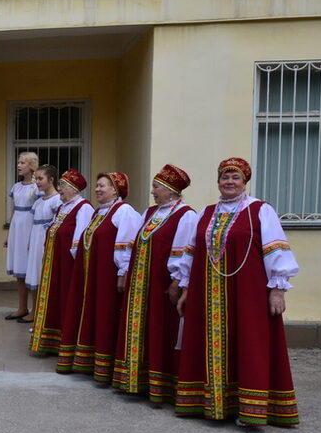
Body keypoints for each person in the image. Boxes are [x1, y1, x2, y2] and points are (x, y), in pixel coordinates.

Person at [175, 157, 300, 427]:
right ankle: (210, 405)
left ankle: (251, 410)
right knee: (207, 343)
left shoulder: (260, 211)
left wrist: (278, 290)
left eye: (235, 178)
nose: (229, 182)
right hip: (206, 295)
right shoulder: (205, 213)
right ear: (218, 181)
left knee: (249, 343)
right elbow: (191, 255)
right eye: (224, 177)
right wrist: (185, 289)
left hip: (248, 294)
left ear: (245, 182)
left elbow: (276, 251)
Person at [112, 165, 198, 403]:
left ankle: (162, 386)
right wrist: (126, 272)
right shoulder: (150, 213)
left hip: (162, 286)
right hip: (140, 286)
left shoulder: (186, 215)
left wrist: (176, 282)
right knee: (140, 329)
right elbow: (135, 244)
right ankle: (135, 380)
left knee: (162, 331)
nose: (152, 191)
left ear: (171, 191)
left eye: (156, 187)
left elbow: (184, 253)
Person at [56, 172, 141, 381]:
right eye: (97, 186)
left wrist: (122, 273)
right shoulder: (100, 212)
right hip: (92, 276)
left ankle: (107, 367)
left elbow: (127, 245)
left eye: (102, 186)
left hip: (108, 278)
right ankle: (91, 362)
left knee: (106, 317)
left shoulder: (124, 211)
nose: (97, 189)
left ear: (115, 189)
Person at [29, 169, 93, 355]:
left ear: (73, 188)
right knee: (53, 300)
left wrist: (75, 271)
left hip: (68, 267)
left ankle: (66, 342)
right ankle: (50, 341)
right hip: (54, 266)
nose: (60, 189)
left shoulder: (83, 208)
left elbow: (78, 242)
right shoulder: (63, 207)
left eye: (63, 186)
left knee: (66, 302)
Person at [22, 164, 60, 324]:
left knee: (44, 275)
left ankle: (45, 312)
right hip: (36, 242)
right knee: (34, 275)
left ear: (51, 179)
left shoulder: (57, 200)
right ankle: (35, 309)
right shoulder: (38, 202)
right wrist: (30, 241)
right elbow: (32, 224)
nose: (37, 182)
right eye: (36, 178)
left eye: (40, 178)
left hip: (46, 244)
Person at [4, 152, 39, 320]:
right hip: (17, 227)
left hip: (29, 227)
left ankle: (35, 309)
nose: (19, 165)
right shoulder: (16, 187)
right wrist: (9, 233)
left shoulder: (36, 188)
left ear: (31, 165)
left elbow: (38, 210)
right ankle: (22, 307)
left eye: (23, 162)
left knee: (30, 269)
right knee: (19, 270)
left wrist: (34, 236)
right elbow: (14, 210)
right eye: (18, 162)